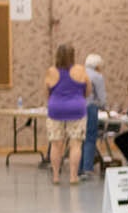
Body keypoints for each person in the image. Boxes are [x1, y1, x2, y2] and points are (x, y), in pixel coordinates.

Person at [45, 43, 91, 185]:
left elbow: (47, 92)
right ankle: (73, 176)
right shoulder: (80, 70)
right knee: (75, 144)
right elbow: (88, 91)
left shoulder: (51, 71)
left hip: (56, 110)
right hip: (76, 109)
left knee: (56, 144)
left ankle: (56, 176)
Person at [80, 53, 107, 178]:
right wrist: (104, 107)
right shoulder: (97, 76)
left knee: (79, 138)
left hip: (77, 108)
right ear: (97, 66)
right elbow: (101, 98)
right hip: (90, 108)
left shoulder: (79, 73)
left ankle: (78, 168)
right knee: (90, 138)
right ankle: (87, 168)